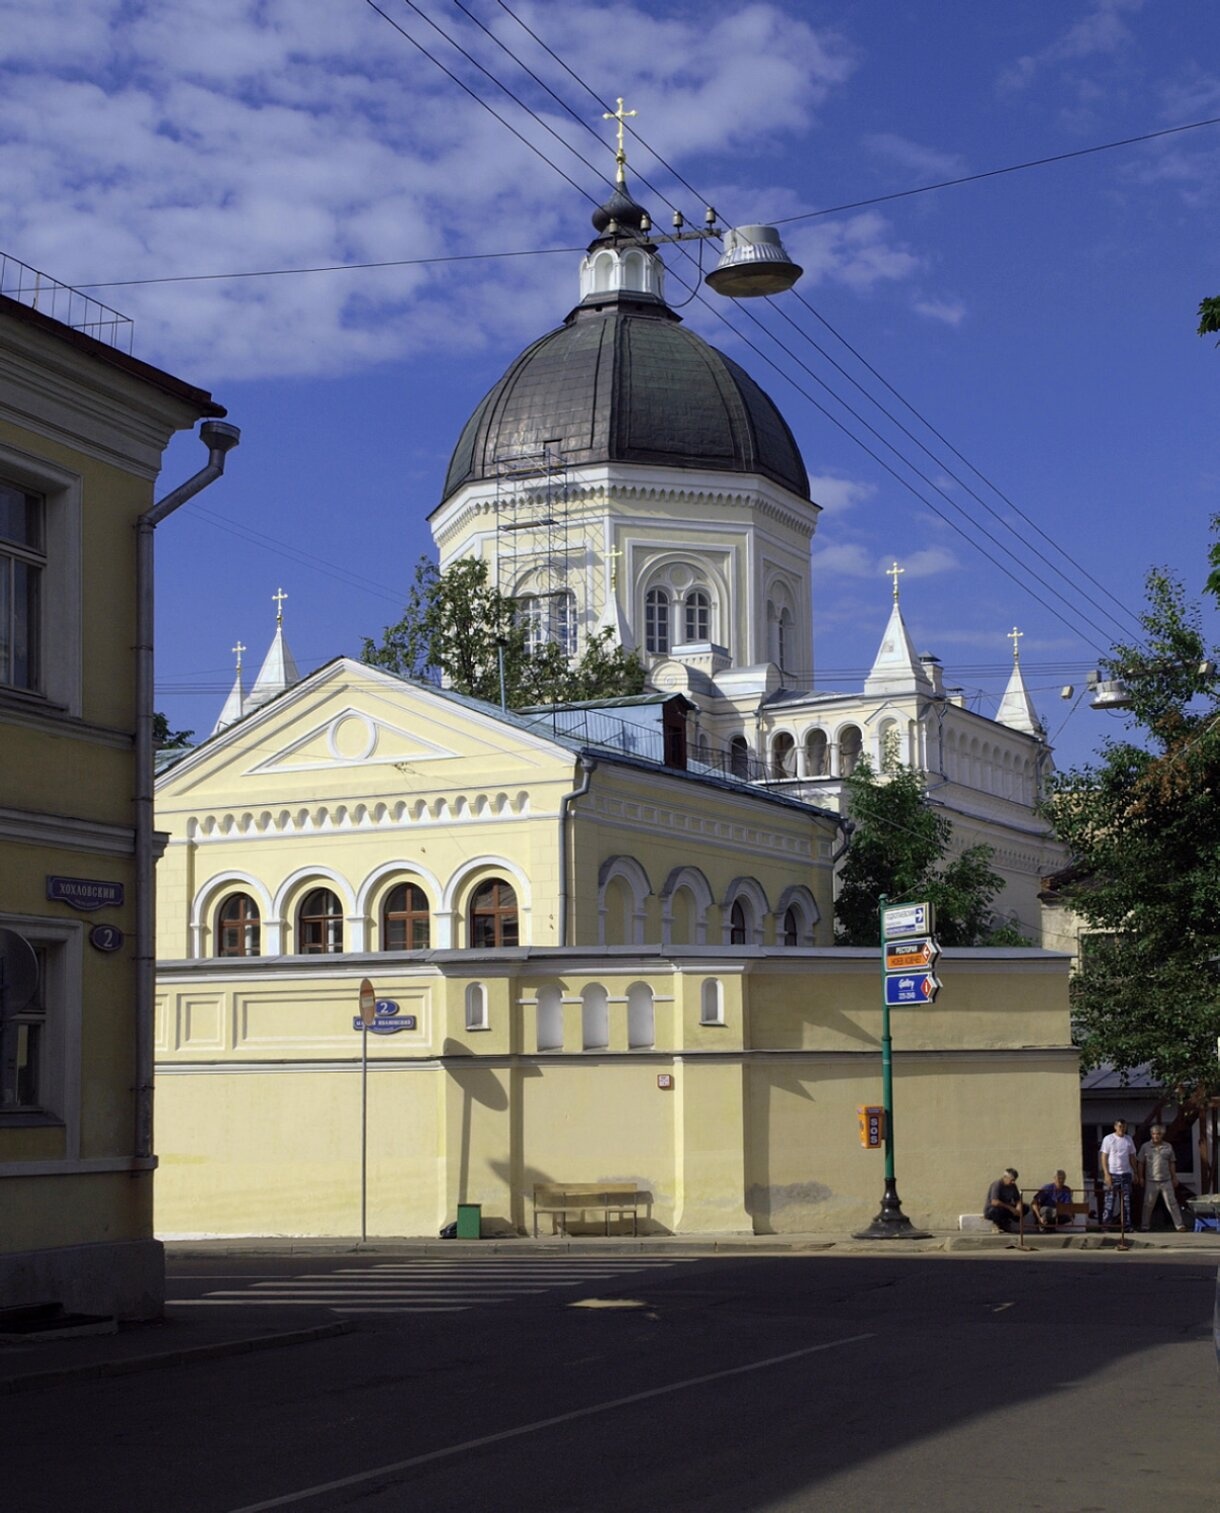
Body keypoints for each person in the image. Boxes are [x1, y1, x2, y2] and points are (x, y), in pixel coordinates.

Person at [1137, 1124, 1187, 1232]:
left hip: (1166, 1180)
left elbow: (1172, 1163)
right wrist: (1141, 1177)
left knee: (1172, 1203)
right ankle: (1145, 1226)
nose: (1156, 1136)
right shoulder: (1145, 1147)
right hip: (1151, 1180)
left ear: (1162, 1135)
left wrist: (1174, 1177)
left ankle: (1179, 1225)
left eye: (1158, 1134)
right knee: (1148, 1204)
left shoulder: (1168, 1146)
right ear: (1151, 1135)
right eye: (1154, 1134)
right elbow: (1140, 1163)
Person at [1100, 1120, 1139, 1229]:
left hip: (1125, 1174)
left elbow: (1132, 1156)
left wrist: (1135, 1172)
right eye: (1120, 1126)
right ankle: (1106, 1225)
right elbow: (1103, 1157)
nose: (1122, 1129)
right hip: (1112, 1174)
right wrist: (1106, 1174)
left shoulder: (1128, 1139)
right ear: (1115, 1127)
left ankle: (1127, 1226)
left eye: (1124, 1127)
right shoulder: (1108, 1139)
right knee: (1109, 1201)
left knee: (1126, 1202)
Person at [984, 1167, 1027, 1233]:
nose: (1013, 1182)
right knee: (995, 1210)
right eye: (1011, 1180)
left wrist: (1019, 1207)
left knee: (1025, 1207)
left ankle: (1005, 1222)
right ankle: (997, 1224)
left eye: (1014, 1180)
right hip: (993, 1209)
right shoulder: (997, 1184)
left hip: (1006, 1209)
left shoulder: (1013, 1186)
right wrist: (1011, 1208)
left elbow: (1017, 1199)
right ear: (1005, 1177)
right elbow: (994, 1202)